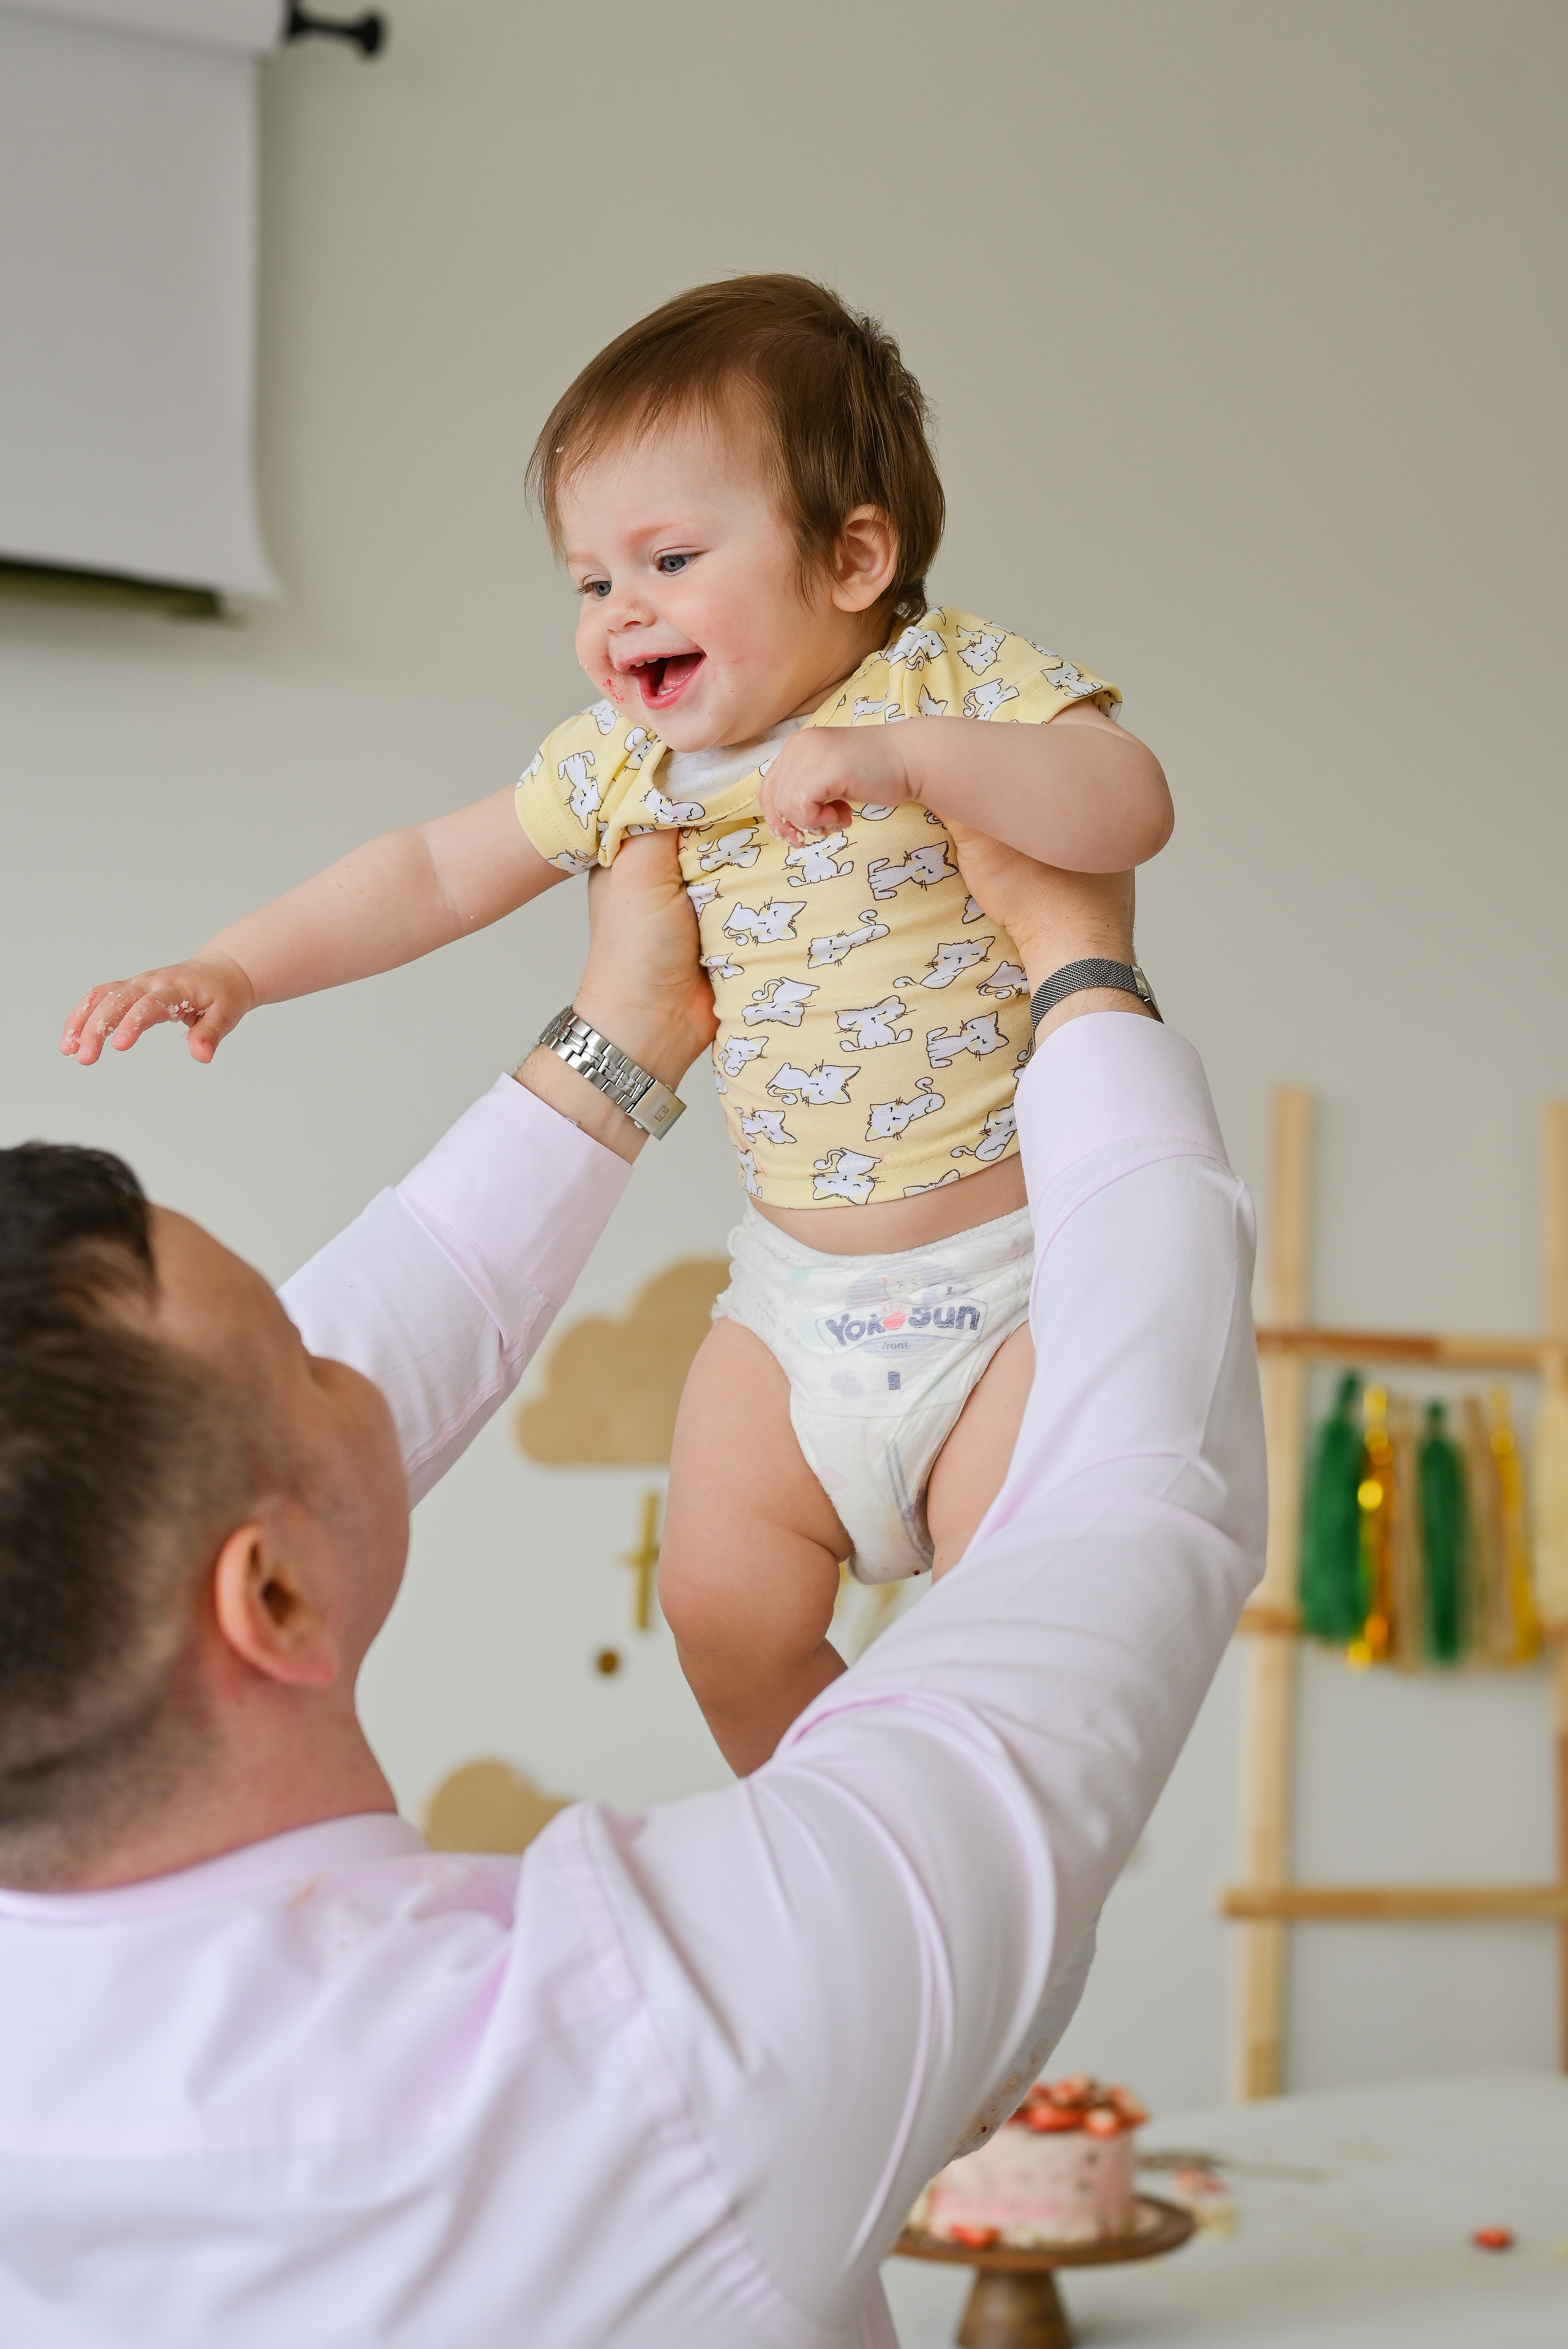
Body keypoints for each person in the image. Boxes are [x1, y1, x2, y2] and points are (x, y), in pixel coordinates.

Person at [3, 831, 1264, 2348]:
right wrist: (1081, 975)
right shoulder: (640, 2061)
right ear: (268, 1602)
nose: (345, 1353)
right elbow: (1122, 1507)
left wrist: (626, 1035)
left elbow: (194, 1464)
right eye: (301, 1346)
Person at [56, 275, 1175, 1774]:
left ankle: (965, 1831)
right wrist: (237, 965)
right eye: (588, 582)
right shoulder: (622, 767)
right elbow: (433, 871)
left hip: (1002, 1289)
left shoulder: (946, 685)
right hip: (791, 1304)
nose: (618, 613)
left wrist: (914, 758)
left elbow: (1130, 803)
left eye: (666, 558)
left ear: (853, 557)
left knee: (1009, 1632)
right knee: (714, 1612)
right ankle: (818, 1843)